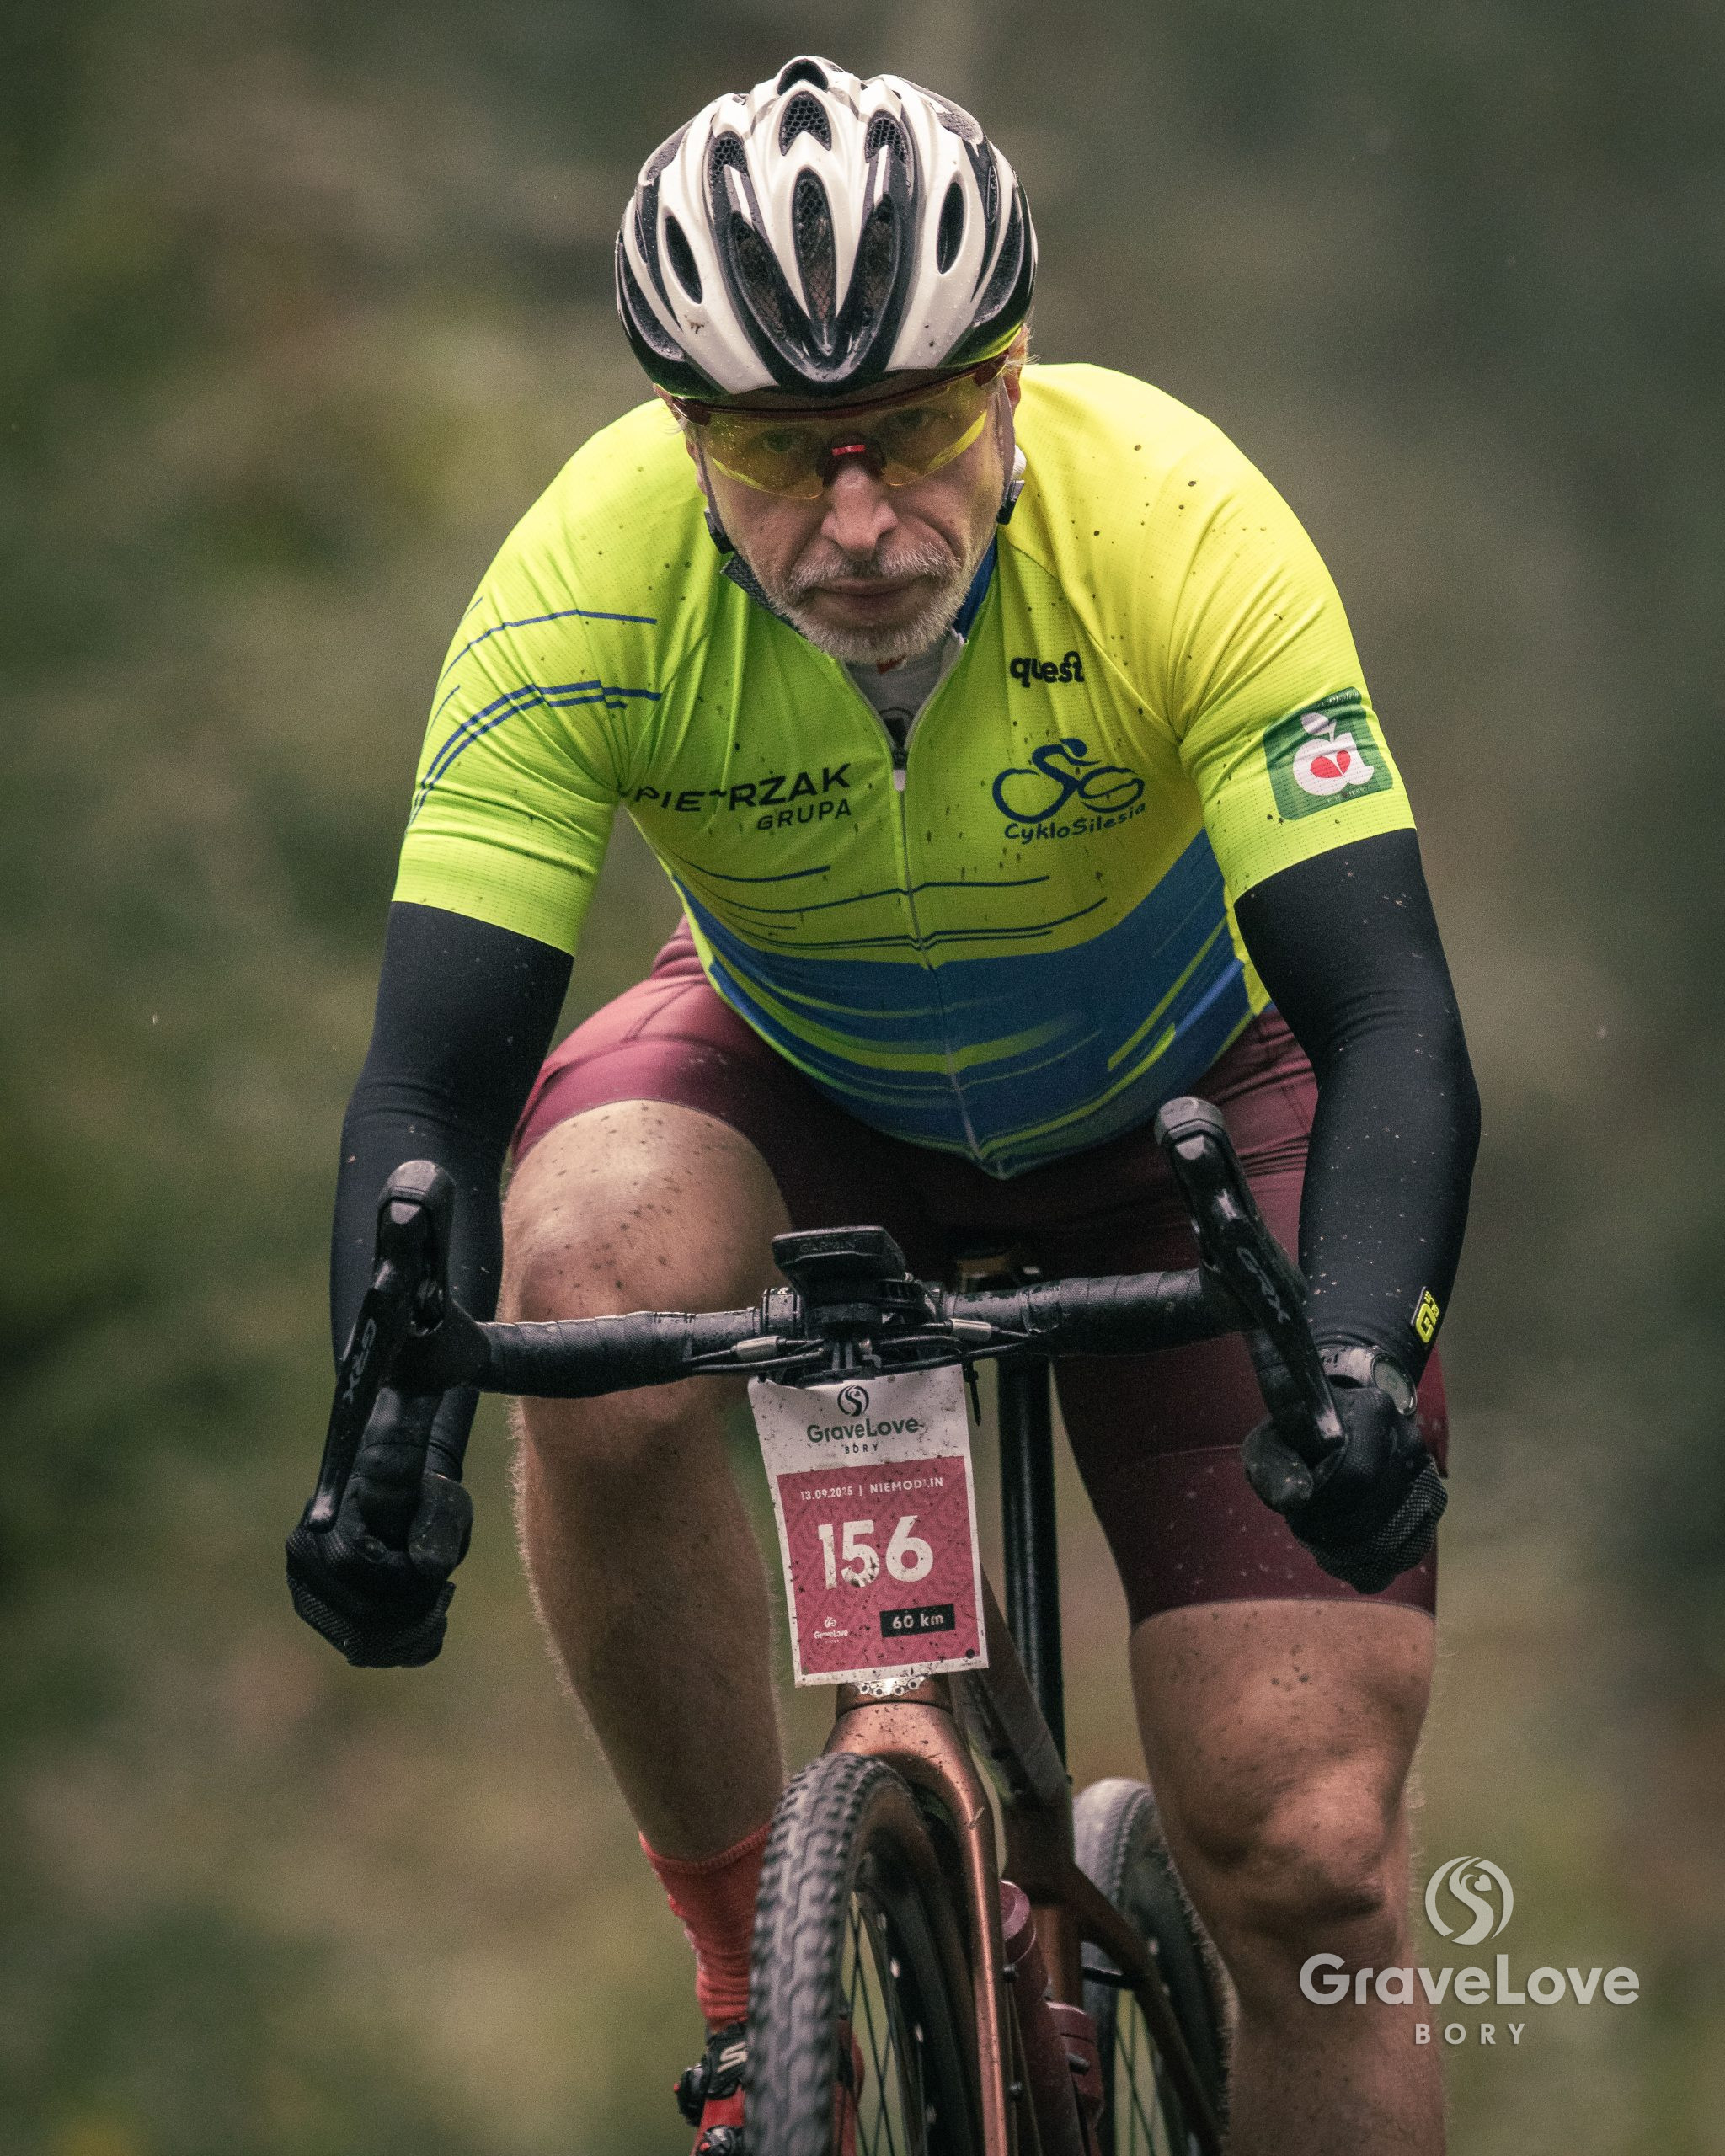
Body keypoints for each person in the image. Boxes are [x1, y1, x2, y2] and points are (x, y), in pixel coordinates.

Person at [287, 55, 1479, 2156]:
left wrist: (1368, 1346)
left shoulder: (1178, 519)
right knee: (584, 1261)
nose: (853, 520)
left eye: (914, 428)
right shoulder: (581, 582)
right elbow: (429, 1084)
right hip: (802, 1078)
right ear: (687, 433)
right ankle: (760, 2001)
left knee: (1308, 1862)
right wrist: (387, 1430)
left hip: (1191, 1108)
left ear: (1010, 381)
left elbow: (1387, 1015)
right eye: (776, 448)